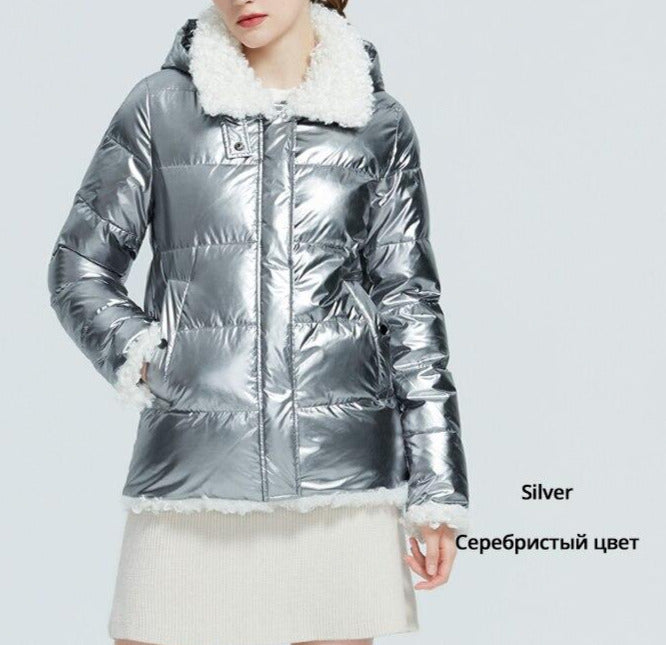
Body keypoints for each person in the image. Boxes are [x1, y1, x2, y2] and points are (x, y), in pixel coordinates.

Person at [46, 1, 471, 644]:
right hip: (190, 474)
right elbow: (78, 267)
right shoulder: (159, 107)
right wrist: (153, 359)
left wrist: (437, 489)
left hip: (340, 489)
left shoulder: (376, 122)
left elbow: (409, 306)